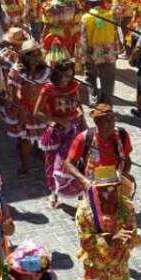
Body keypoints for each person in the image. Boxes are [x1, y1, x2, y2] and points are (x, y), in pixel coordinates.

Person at [35, 60, 86, 207]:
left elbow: (78, 104)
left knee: (74, 161)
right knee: (52, 163)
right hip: (56, 131)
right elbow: (37, 112)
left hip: (74, 130)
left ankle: (80, 193)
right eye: (65, 76)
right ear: (57, 74)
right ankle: (54, 192)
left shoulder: (74, 86)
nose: (68, 79)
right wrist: (58, 120)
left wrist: (81, 116)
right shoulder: (48, 89)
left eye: (70, 75)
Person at [2, 38, 49, 174]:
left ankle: (46, 162)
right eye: (31, 55)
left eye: (37, 54)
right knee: (26, 139)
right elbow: (13, 93)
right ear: (25, 57)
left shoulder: (45, 69)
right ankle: (24, 165)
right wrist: (20, 110)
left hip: (41, 109)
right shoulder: (17, 71)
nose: (35, 58)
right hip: (25, 109)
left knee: (44, 138)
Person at [65, 102, 133, 188]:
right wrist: (84, 180)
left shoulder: (122, 135)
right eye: (107, 120)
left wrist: (125, 175)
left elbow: (127, 159)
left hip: (117, 184)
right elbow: (69, 163)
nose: (111, 123)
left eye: (112, 119)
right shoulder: (84, 138)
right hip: (93, 185)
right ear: (97, 121)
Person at [79, 0, 120, 104]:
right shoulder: (109, 15)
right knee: (108, 80)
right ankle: (106, 104)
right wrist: (116, 52)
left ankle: (94, 100)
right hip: (109, 52)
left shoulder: (86, 18)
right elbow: (115, 34)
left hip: (93, 53)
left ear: (89, 2)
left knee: (90, 77)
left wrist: (84, 56)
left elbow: (84, 39)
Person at [42, 0, 81, 65]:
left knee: (58, 63)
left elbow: (47, 25)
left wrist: (42, 39)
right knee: (69, 61)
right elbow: (77, 22)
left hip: (56, 37)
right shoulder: (75, 4)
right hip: (71, 35)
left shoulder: (49, 6)